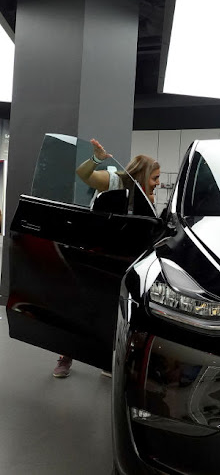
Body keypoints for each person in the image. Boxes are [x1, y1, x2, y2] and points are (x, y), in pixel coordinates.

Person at [53, 139, 161, 379]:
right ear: (142, 175)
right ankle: (65, 356)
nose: (158, 183)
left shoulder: (146, 200)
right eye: (154, 177)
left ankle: (105, 358)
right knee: (81, 306)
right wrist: (97, 159)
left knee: (112, 311)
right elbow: (83, 174)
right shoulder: (116, 181)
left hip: (121, 260)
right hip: (94, 253)